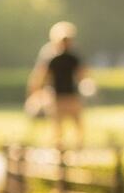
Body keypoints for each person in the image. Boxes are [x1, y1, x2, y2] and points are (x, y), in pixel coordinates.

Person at [26, 21, 89, 151]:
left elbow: (82, 75)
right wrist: (36, 93)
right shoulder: (52, 58)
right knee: (58, 129)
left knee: (77, 127)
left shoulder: (73, 58)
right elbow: (41, 76)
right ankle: (60, 151)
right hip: (57, 97)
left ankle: (77, 149)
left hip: (71, 96)